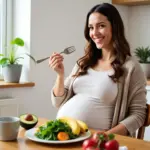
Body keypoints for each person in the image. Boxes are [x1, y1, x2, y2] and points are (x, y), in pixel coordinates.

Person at [49, 3, 147, 137]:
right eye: (91, 27)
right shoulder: (84, 62)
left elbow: (138, 115)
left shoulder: (130, 67)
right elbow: (57, 102)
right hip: (63, 137)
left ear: (115, 27)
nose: (94, 33)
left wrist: (106, 136)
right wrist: (60, 75)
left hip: (97, 142)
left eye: (101, 26)